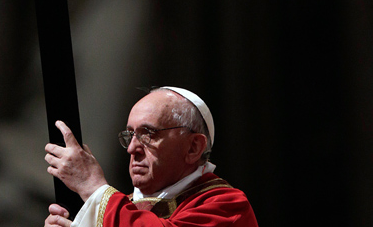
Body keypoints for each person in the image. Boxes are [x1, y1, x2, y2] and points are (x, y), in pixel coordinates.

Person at [44, 87, 259, 227]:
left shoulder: (227, 207)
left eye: (148, 134)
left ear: (193, 147)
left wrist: (92, 186)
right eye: (130, 135)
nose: (132, 149)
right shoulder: (123, 208)